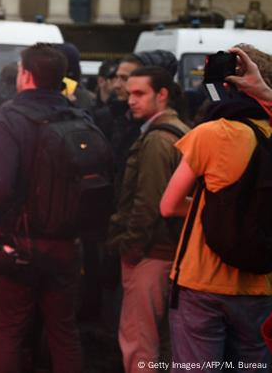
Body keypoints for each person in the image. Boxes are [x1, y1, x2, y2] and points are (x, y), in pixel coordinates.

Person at [0, 44, 84, 373]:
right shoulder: (78, 115)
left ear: (26, 75)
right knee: (64, 331)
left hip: (19, 242)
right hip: (68, 240)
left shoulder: (12, 117)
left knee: (11, 328)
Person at [159, 45, 272, 367]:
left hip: (200, 281)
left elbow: (168, 205)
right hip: (260, 285)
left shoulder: (210, 134)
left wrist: (216, 206)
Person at [106, 66, 188, 371]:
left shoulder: (157, 140)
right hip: (169, 252)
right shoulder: (181, 131)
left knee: (139, 343)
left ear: (162, 94)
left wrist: (131, 247)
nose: (131, 100)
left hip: (151, 254)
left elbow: (147, 202)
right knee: (164, 343)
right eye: (129, 94)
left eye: (139, 94)